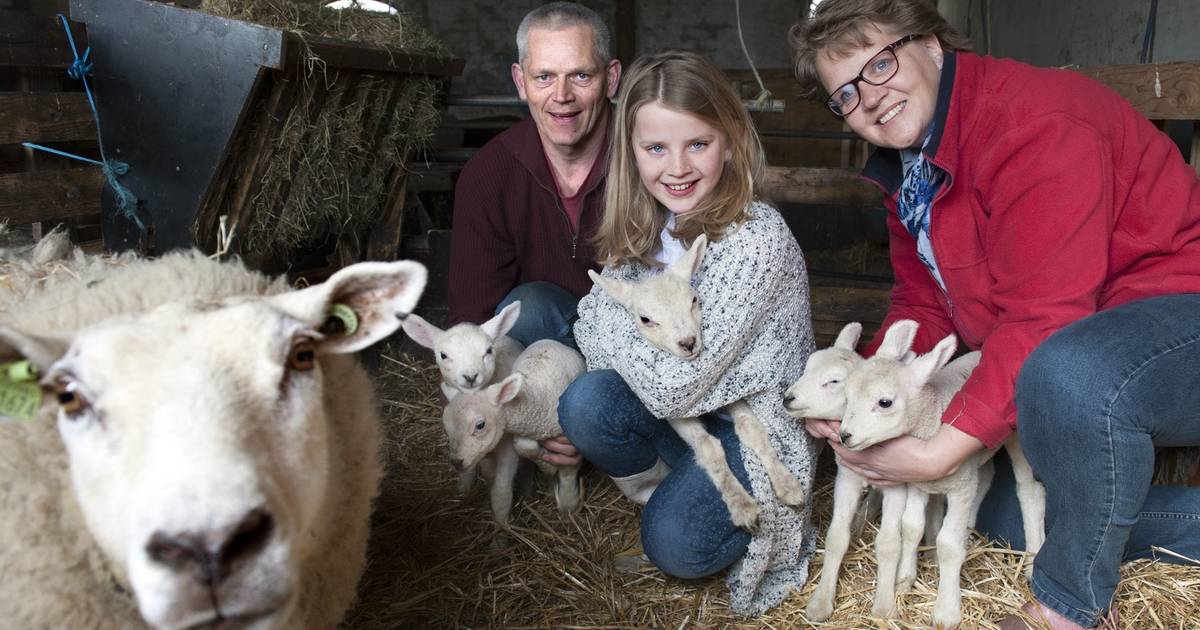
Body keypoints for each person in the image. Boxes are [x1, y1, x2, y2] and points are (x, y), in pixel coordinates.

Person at [789, 1, 1200, 628]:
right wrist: (870, 389)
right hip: (1080, 356)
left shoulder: (1034, 121)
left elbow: (1045, 320)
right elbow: (923, 301)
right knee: (1002, 510)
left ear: (929, 43)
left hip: (1172, 324)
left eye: (879, 64)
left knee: (1066, 370)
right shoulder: (913, 167)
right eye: (844, 93)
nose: (868, 98)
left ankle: (1068, 608)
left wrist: (936, 452)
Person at [556, 49, 819, 617]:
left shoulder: (756, 240)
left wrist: (617, 312)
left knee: (672, 545)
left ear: (730, 139)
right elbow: (585, 332)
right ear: (632, 153)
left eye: (697, 143)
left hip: (756, 438)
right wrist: (609, 319)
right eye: (655, 148)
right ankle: (666, 493)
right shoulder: (646, 233)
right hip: (688, 427)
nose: (676, 167)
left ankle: (693, 514)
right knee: (586, 400)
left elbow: (671, 383)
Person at [447, 2, 620, 464]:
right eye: (544, 77)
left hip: (632, 345)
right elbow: (471, 322)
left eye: (580, 76)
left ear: (612, 79)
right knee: (525, 308)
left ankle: (599, 420)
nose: (561, 95)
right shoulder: (488, 173)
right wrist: (527, 422)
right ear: (521, 83)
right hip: (544, 350)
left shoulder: (649, 156)